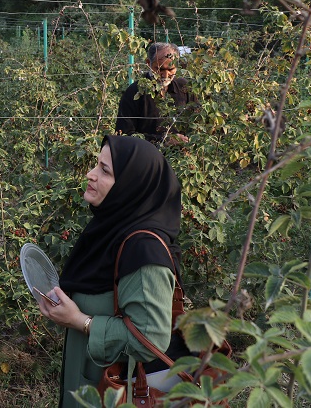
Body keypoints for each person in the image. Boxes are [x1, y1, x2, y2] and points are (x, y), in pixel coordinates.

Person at [38, 135, 188, 407]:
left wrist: (81, 321)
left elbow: (150, 339)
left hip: (117, 392)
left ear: (132, 186)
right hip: (92, 383)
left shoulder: (143, 251)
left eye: (104, 170)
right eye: (96, 164)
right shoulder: (111, 231)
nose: (90, 174)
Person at [115, 42, 197, 145]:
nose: (166, 74)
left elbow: (196, 123)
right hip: (147, 157)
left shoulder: (185, 88)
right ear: (148, 63)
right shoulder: (134, 92)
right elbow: (124, 135)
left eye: (171, 69)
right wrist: (164, 140)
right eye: (160, 69)